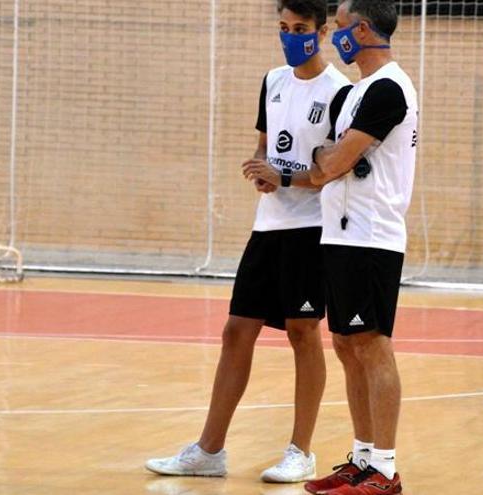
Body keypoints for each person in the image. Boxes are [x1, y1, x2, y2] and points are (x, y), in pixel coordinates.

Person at [145, 0, 351, 484]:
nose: (290, 36)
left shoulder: (341, 92)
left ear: (321, 32)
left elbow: (332, 170)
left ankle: (301, 451)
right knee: (236, 330)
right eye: (283, 27)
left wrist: (285, 176)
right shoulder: (273, 81)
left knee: (304, 333)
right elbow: (266, 145)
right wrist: (261, 170)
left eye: (300, 28)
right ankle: (209, 450)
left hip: (313, 229)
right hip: (269, 226)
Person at [307, 1, 418, 493]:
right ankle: (363, 457)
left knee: (372, 345)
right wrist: (330, 158)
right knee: (346, 345)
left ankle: (387, 470)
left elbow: (334, 162)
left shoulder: (390, 88)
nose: (334, 35)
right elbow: (322, 164)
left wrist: (332, 158)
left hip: (372, 235)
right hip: (340, 233)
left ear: (364, 29)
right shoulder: (352, 94)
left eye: (340, 26)